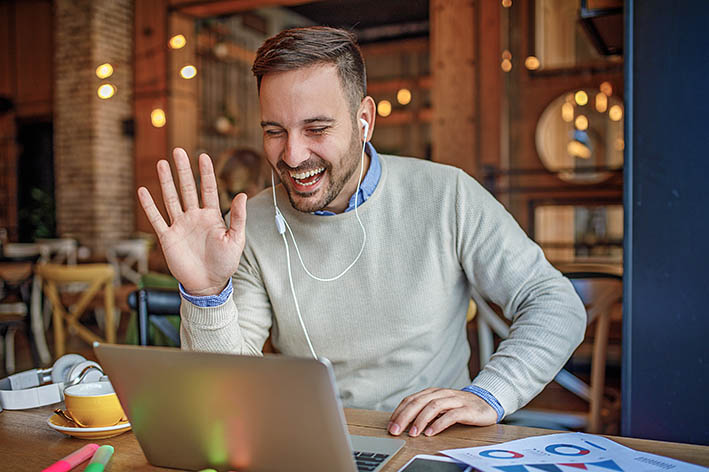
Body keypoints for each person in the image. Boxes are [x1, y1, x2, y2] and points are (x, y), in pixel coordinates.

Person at [137, 26, 586, 438]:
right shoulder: (250, 224)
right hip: (312, 442)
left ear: (364, 119)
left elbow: (554, 302)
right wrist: (206, 293)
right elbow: (228, 389)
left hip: (430, 443)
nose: (292, 155)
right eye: (275, 131)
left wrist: (490, 393)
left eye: (317, 128)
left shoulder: (446, 194)